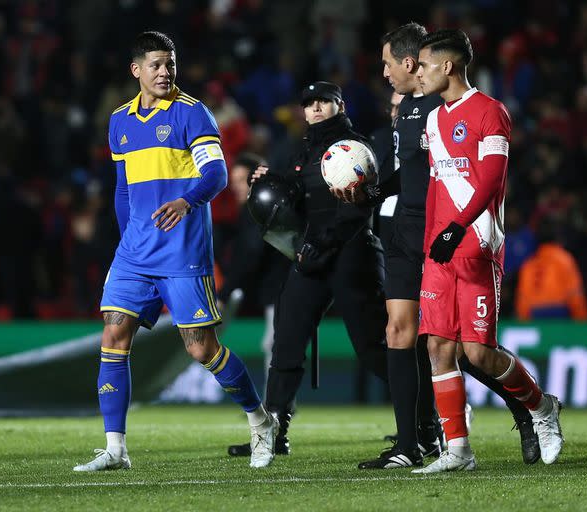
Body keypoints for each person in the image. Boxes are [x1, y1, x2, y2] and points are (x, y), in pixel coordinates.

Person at [334, 23, 540, 469]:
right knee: (405, 335)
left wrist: (455, 228)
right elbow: (406, 172)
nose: (385, 72)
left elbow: (471, 177)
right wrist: (373, 192)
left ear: (414, 64)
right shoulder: (409, 109)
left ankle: (526, 410)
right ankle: (413, 442)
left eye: (389, 63)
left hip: (451, 236)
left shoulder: (447, 105)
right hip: (409, 233)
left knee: (467, 349)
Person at [73, 31, 277, 472]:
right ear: (136, 71)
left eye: (170, 64)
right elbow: (123, 190)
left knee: (201, 348)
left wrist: (187, 201)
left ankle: (260, 422)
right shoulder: (119, 121)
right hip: (134, 252)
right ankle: (115, 449)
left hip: (182, 249)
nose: (165, 72)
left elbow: (218, 175)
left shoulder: (192, 113)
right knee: (113, 335)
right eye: (156, 65)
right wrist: (129, 237)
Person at [412, 29, 563, 473]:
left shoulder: (490, 112)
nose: (417, 73)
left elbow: (492, 180)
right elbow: (438, 184)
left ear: (448, 65)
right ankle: (458, 450)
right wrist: (431, 244)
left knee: (478, 353)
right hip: (439, 252)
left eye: (422, 65)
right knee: (438, 347)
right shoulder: (433, 120)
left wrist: (456, 230)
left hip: (477, 244)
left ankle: (542, 408)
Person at [227, 81, 390, 457]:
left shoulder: (355, 145)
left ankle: (426, 421)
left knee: (372, 347)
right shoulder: (302, 148)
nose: (315, 108)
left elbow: (361, 205)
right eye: (309, 103)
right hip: (312, 254)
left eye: (324, 102)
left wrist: (321, 243)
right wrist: (271, 179)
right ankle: (272, 432)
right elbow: (299, 193)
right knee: (286, 342)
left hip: (352, 253)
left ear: (340, 105)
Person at [217, 153, 290, 376]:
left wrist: (224, 294)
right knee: (274, 344)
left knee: (276, 345)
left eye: (241, 180)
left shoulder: (258, 208)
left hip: (283, 287)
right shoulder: (261, 206)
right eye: (234, 182)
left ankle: (277, 405)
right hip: (277, 288)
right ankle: (275, 403)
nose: (236, 187)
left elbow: (250, 255)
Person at [515, 218, 587, 320]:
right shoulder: (564, 259)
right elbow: (575, 294)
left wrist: (524, 323)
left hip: (534, 314)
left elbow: (522, 300)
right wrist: (583, 321)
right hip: (560, 313)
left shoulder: (529, 264)